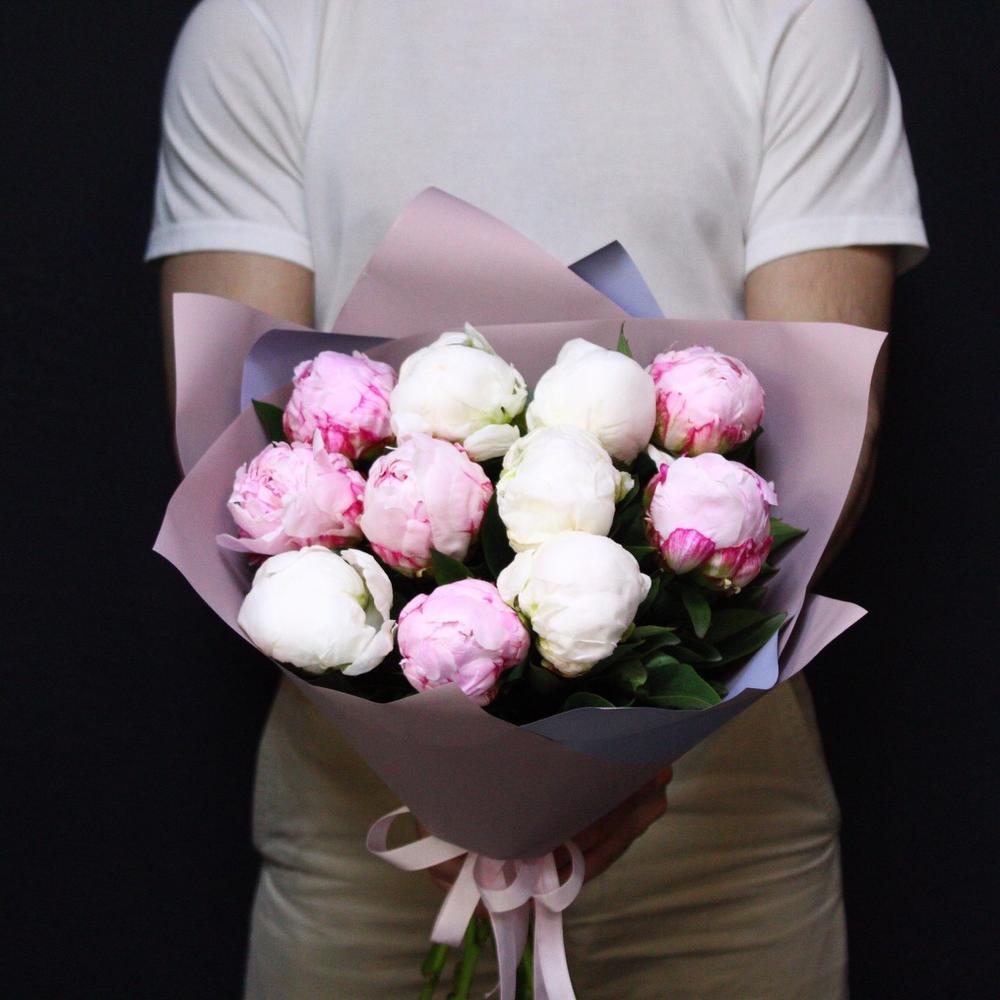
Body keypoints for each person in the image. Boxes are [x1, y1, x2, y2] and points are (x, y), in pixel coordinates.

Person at [147, 1, 927, 996]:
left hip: (719, 809)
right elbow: (234, 438)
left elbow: (837, 423)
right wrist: (464, 778)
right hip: (367, 815)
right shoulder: (265, 21)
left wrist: (615, 755)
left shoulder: (795, 16)